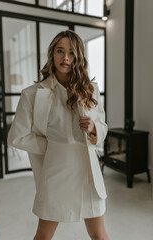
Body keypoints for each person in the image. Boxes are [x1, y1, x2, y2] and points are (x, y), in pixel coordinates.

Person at [7, 30, 109, 240]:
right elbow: (16, 137)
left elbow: (102, 126)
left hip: (88, 173)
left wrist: (93, 129)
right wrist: (52, 146)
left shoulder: (91, 90)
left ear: (78, 57)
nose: (65, 58)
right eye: (60, 51)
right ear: (52, 54)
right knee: (43, 235)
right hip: (56, 173)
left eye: (71, 53)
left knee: (98, 234)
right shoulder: (32, 94)